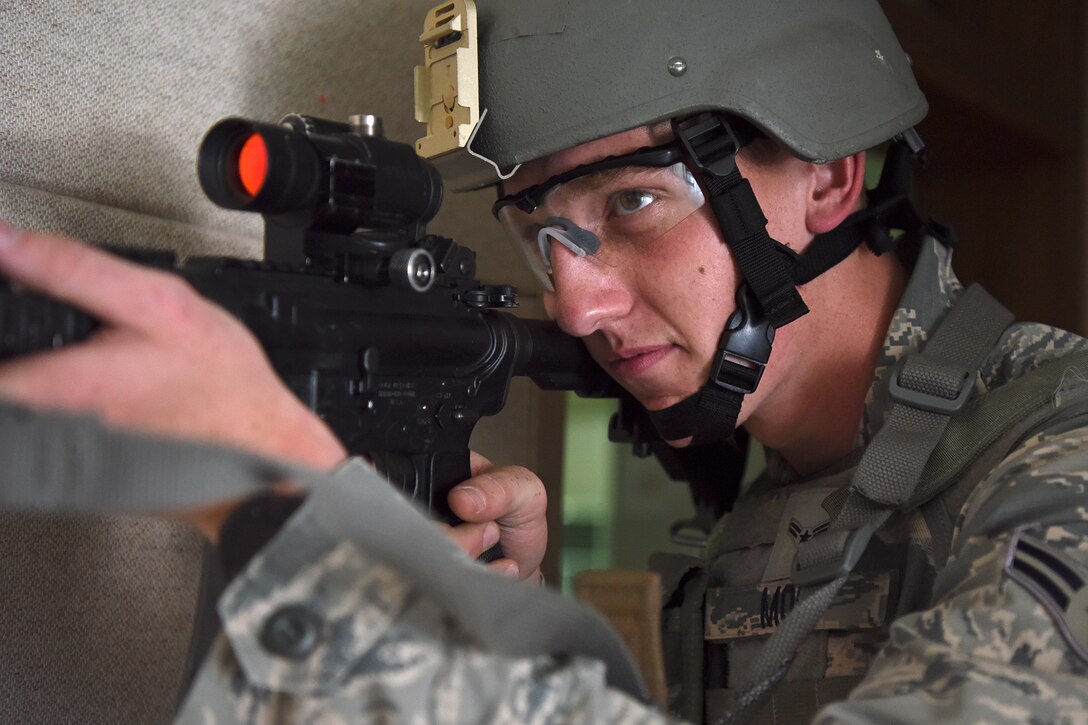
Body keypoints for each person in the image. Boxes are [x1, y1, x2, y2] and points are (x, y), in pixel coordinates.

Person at [2, 1, 1088, 723]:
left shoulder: (1058, 455)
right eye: (540, 228)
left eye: (633, 202)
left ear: (830, 177)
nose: (575, 301)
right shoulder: (773, 498)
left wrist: (304, 532)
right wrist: (488, 615)